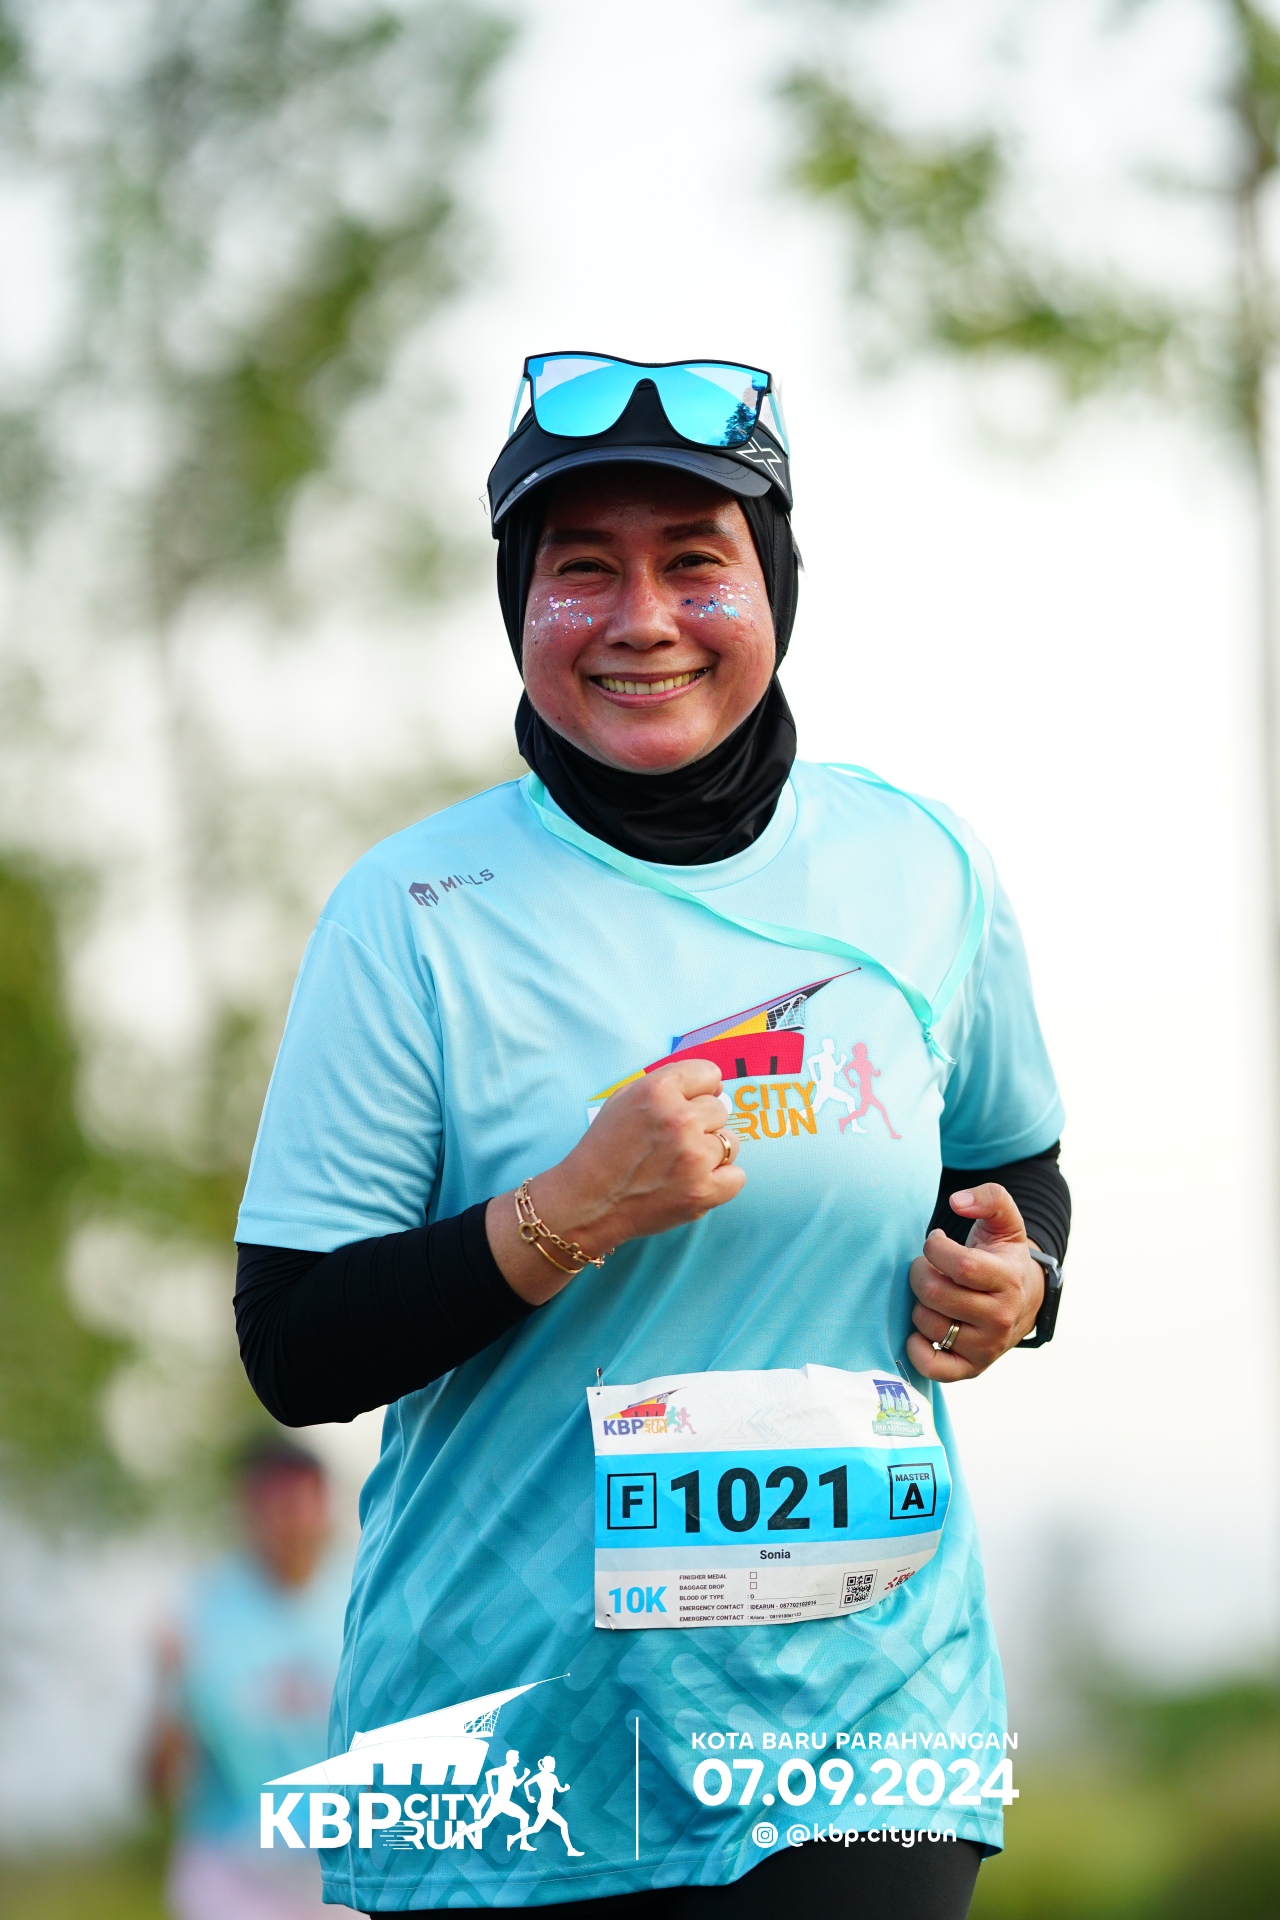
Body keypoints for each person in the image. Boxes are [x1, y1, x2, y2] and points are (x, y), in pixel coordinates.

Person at [235, 352, 1071, 1920]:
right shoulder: (411, 912)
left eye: (696, 562)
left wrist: (1021, 1285)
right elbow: (294, 1345)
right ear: (518, 601)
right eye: (582, 571)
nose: (642, 620)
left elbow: (1012, 1165)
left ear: (776, 586)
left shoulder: (923, 870)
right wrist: (565, 1212)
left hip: (868, 1738)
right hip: (509, 1756)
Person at [149, 1439, 350, 1920]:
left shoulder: (362, 1600)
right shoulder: (204, 1613)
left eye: (298, 1503)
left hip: (343, 1862)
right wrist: (170, 1689)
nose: (287, 1521)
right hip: (235, 1868)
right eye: (272, 1505)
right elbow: (160, 1780)